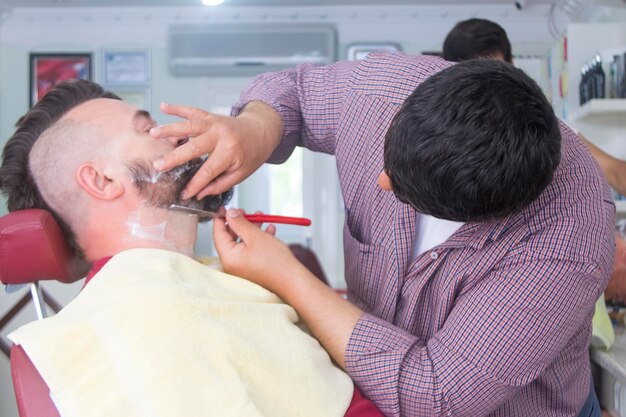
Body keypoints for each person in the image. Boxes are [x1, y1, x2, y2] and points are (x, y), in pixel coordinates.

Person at [149, 54, 615, 417]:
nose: (381, 183)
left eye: (407, 194)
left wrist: (289, 278)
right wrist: (255, 128)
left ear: (485, 215)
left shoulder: (564, 242)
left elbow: (434, 398)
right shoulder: (383, 92)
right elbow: (291, 90)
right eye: (387, 157)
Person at [0, 80, 383, 417]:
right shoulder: (147, 317)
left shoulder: (190, 286)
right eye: (149, 129)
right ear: (102, 180)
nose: (182, 135)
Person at [443, 17, 626, 197]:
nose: (487, 89)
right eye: (474, 79)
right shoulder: (437, 139)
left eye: (494, 74)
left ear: (512, 66)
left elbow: (615, 172)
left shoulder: (545, 127)